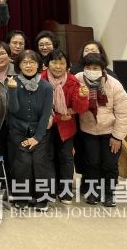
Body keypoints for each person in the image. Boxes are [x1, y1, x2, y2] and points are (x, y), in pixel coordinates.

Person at [76, 52, 127, 206]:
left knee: (109, 164)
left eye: (95, 68)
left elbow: (123, 112)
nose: (91, 71)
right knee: (91, 163)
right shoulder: (78, 79)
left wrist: (117, 137)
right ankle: (93, 192)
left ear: (102, 69)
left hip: (110, 132)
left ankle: (109, 194)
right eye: (88, 67)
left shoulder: (113, 84)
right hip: (88, 130)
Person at [7, 50, 54, 211]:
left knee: (40, 162)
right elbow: (13, 110)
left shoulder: (46, 87)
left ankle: (42, 198)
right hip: (18, 131)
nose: (28, 65)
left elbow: (45, 115)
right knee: (23, 162)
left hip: (40, 132)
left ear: (38, 65)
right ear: (19, 65)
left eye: (32, 62)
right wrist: (12, 90)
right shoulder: (13, 82)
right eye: (24, 62)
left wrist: (37, 138)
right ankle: (21, 197)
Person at [41, 49, 89, 203]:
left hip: (66, 125)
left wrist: (82, 97)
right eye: (54, 62)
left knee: (66, 157)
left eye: (62, 63)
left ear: (68, 65)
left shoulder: (73, 81)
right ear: (47, 64)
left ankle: (66, 191)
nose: (58, 66)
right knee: (47, 157)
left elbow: (80, 109)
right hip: (46, 124)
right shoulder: (40, 79)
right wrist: (58, 116)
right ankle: (50, 189)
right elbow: (38, 107)